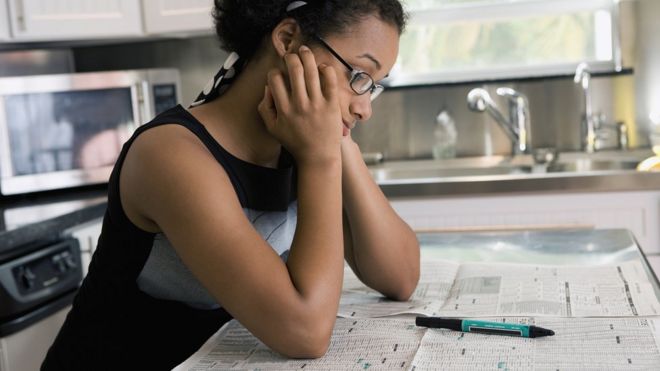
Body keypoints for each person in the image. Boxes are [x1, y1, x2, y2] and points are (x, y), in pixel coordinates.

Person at [42, 0, 420, 369]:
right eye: (357, 75)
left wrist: (340, 145)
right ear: (288, 40)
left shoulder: (302, 143)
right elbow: (305, 332)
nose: (365, 108)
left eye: (373, 86)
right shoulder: (171, 156)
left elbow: (399, 277)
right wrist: (322, 157)